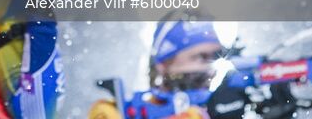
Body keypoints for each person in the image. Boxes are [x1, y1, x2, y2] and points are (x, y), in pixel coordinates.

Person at [87, 19, 224, 119]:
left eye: (215, 56)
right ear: (164, 62)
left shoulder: (227, 103)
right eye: (201, 57)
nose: (210, 67)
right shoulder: (122, 112)